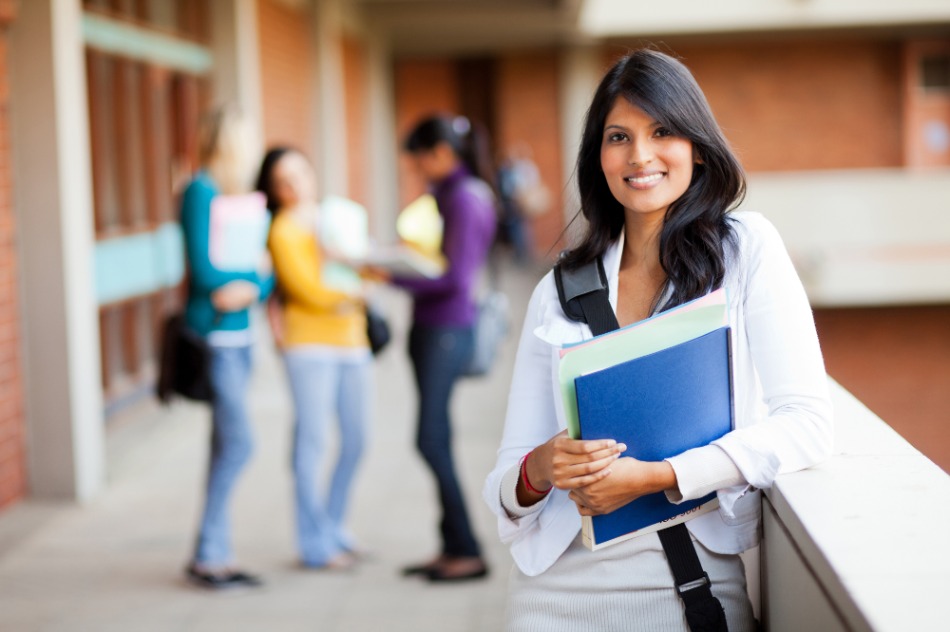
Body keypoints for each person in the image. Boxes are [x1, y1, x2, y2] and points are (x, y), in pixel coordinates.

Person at [482, 49, 834, 630]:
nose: (640, 156)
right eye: (618, 136)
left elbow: (807, 423)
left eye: (662, 131)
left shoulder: (743, 250)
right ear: (598, 156)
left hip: (687, 590)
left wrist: (658, 477)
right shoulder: (559, 288)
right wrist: (540, 468)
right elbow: (505, 485)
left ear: (696, 143)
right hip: (551, 596)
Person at [388, 115, 497, 582]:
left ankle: (467, 549)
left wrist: (389, 274)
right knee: (437, 438)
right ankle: (453, 545)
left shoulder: (465, 198)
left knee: (430, 439)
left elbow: (454, 277)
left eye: (418, 159)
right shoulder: (447, 195)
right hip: (433, 329)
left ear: (440, 153)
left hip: (447, 330)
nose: (416, 169)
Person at [256, 147, 372, 570]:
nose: (295, 185)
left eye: (300, 173)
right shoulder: (282, 230)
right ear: (273, 190)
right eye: (283, 181)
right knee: (313, 443)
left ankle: (334, 525)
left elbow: (363, 266)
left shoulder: (335, 218)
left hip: (352, 341)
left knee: (358, 439)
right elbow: (309, 291)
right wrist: (353, 293)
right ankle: (314, 543)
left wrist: (360, 270)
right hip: (308, 345)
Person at [181, 105, 274, 589]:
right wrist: (248, 280)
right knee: (239, 443)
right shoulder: (200, 191)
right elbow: (205, 271)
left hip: (242, 337)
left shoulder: (246, 199)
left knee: (224, 445)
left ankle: (209, 553)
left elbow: (267, 271)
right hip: (215, 335)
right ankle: (210, 553)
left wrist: (252, 287)